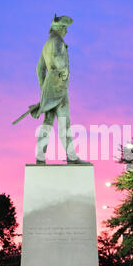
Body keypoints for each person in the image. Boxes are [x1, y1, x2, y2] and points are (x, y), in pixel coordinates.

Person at [30, 14, 89, 165]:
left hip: (50, 88)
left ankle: (40, 157)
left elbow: (39, 69)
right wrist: (64, 73)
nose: (66, 32)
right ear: (61, 28)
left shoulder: (46, 43)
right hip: (59, 89)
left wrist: (44, 87)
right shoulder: (57, 41)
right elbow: (57, 58)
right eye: (65, 28)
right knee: (64, 123)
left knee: (47, 122)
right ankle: (72, 156)